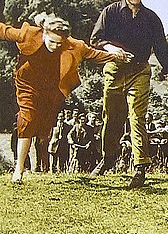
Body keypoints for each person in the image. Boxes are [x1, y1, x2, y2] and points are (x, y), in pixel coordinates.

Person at [0, 12, 124, 183]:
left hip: (52, 89)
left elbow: (94, 54)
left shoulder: (75, 45)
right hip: (27, 83)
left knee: (44, 128)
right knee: (27, 119)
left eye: (59, 43)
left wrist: (115, 56)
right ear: (43, 33)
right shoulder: (28, 34)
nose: (55, 46)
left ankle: (40, 164)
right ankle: (19, 170)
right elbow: (4, 30)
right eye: (51, 41)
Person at [90, 0, 168, 188]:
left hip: (140, 71)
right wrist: (111, 48)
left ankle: (140, 167)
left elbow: (161, 47)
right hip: (114, 69)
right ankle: (107, 159)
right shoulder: (111, 12)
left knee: (137, 116)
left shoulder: (151, 18)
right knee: (112, 118)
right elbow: (96, 39)